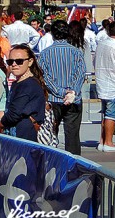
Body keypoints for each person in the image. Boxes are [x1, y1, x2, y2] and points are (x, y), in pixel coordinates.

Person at [37, 19, 86, 155]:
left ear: (52, 34)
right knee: (73, 136)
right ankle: (73, 165)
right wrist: (72, 91)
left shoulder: (44, 54)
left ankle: (52, 161)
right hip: (73, 99)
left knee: (51, 134)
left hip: (54, 99)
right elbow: (81, 73)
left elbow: (44, 77)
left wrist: (59, 91)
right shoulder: (76, 52)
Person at [0, 44, 49, 141]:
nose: (14, 64)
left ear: (30, 62)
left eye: (19, 61)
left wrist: (2, 123)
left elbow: (14, 114)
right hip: (17, 136)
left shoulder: (29, 84)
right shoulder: (19, 83)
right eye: (10, 62)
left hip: (25, 138)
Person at [94, 21, 115, 152]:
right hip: (112, 83)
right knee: (111, 114)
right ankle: (108, 142)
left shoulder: (101, 43)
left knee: (105, 113)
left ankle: (102, 140)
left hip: (101, 81)